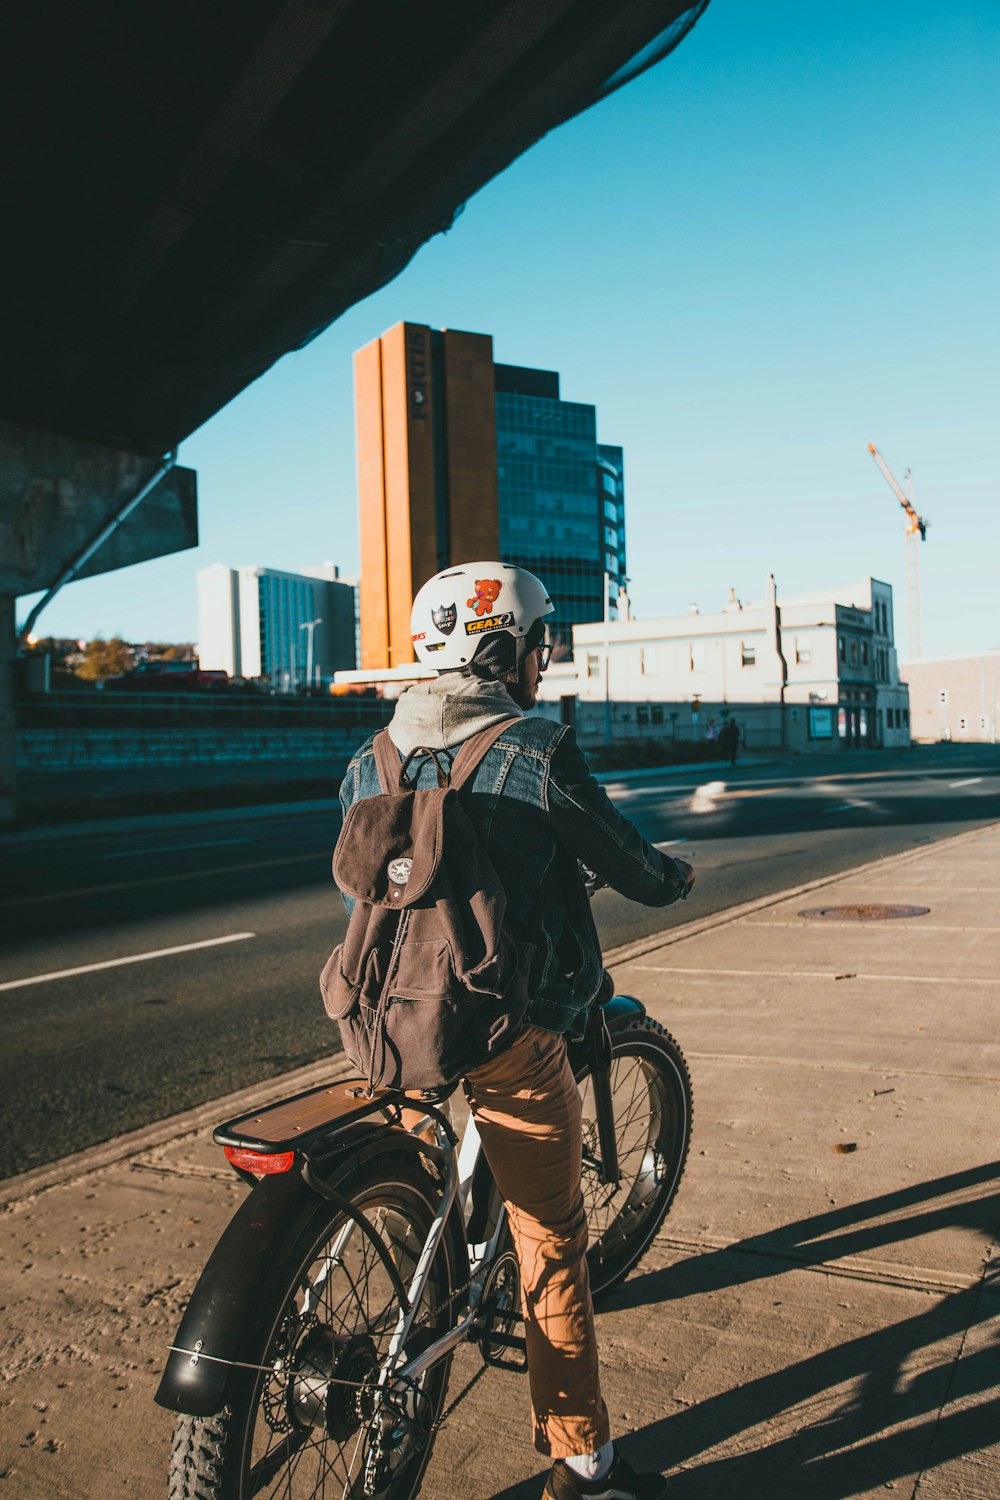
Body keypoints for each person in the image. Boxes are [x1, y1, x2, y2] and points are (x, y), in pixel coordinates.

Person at [338, 561, 694, 1500]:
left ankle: (430, 1262)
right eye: (538, 642)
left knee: (426, 1174)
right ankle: (585, 1464)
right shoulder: (535, 747)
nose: (546, 658)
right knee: (552, 1237)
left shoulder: (372, 755)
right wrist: (670, 879)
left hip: (391, 1021)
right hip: (505, 1027)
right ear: (505, 652)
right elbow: (615, 852)